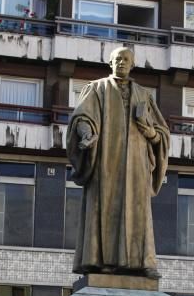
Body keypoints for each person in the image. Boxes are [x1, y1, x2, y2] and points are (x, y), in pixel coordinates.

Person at [67, 46, 170, 279]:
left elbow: (162, 133)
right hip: (106, 163)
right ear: (109, 63)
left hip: (136, 166)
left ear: (132, 65)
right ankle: (100, 261)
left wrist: (152, 134)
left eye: (126, 59)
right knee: (103, 207)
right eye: (117, 59)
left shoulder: (144, 95)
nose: (121, 62)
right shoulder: (96, 89)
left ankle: (143, 263)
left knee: (139, 211)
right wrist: (86, 134)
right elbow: (82, 118)